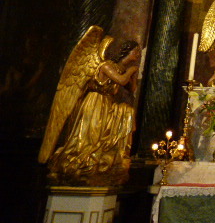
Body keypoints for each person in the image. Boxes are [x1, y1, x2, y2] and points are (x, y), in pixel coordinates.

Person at [38, 27, 140, 186]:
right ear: (127, 52)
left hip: (107, 104)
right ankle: (81, 159)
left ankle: (105, 157)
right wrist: (131, 71)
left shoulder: (122, 69)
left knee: (127, 112)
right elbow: (121, 80)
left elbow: (131, 89)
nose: (138, 55)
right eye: (136, 51)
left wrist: (133, 75)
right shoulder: (106, 66)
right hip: (95, 103)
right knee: (90, 136)